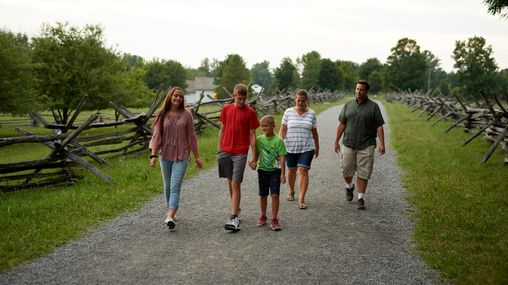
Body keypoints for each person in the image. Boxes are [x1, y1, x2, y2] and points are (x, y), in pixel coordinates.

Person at [149, 87, 203, 229]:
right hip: (165, 154)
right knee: (167, 186)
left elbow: (191, 136)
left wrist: (197, 157)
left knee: (175, 186)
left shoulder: (187, 114)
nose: (178, 98)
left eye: (180, 96)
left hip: (182, 155)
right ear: (170, 97)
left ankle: (170, 215)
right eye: (176, 96)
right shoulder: (162, 114)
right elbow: (157, 135)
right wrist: (153, 155)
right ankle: (171, 211)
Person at [334, 80, 385, 210]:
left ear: (367, 91)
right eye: (357, 89)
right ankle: (349, 186)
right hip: (349, 143)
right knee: (346, 170)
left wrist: (382, 144)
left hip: (366, 144)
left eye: (361, 89)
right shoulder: (348, 105)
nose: (358, 91)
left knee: (363, 172)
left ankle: (360, 198)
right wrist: (336, 141)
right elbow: (341, 124)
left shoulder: (373, 107)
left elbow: (379, 126)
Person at [218, 83, 260, 232]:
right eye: (239, 98)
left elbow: (252, 135)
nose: (242, 101)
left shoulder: (250, 113)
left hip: (240, 152)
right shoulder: (226, 109)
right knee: (230, 183)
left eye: (244, 98)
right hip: (225, 150)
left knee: (236, 183)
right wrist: (219, 149)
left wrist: (254, 156)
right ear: (233, 96)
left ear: (246, 97)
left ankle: (234, 218)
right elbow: (222, 129)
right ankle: (236, 208)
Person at [279, 89, 319, 209]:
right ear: (295, 100)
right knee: (291, 171)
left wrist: (317, 146)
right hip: (290, 147)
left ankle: (301, 199)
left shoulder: (311, 114)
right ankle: (291, 191)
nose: (300, 103)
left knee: (303, 171)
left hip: (307, 147)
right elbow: (283, 129)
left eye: (303, 101)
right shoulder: (288, 112)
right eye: (298, 101)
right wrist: (279, 145)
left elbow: (315, 132)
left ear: (306, 101)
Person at [250, 115, 287, 231]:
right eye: (262, 126)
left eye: (266, 126)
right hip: (262, 171)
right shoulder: (259, 139)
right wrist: (254, 162)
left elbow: (282, 158)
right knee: (263, 194)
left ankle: (275, 218)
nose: (264, 128)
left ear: (273, 126)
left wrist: (283, 174)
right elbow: (256, 154)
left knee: (275, 194)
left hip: (275, 171)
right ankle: (263, 215)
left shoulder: (279, 140)